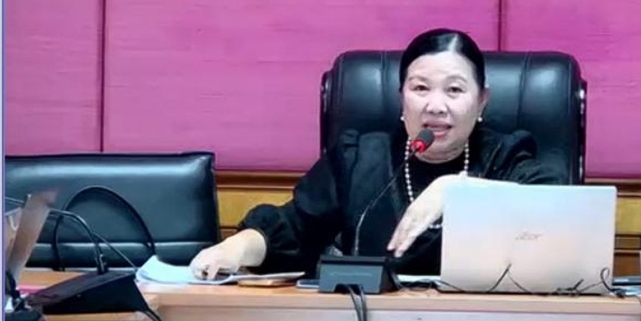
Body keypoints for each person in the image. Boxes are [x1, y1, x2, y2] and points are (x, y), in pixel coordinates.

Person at [189, 28, 563, 279]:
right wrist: (236, 247)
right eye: (420, 88)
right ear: (402, 98)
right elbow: (295, 229)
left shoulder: (503, 155)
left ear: (481, 101)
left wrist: (456, 190)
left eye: (454, 90)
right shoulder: (360, 158)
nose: (435, 106)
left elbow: (554, 208)